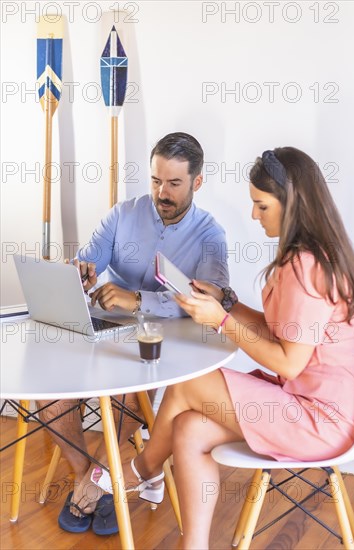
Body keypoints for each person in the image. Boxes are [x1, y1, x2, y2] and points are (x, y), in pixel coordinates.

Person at [91, 146, 354, 549]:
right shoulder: (310, 258)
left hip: (320, 420)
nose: (254, 215)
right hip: (308, 404)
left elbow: (289, 363)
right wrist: (227, 302)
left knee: (187, 384)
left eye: (261, 205)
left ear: (292, 204)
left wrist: (220, 321)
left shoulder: (307, 266)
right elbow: (283, 333)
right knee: (188, 429)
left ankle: (142, 469)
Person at [36, 132, 229, 535]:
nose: (162, 192)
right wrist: (80, 272)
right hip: (107, 330)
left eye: (174, 183)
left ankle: (100, 482)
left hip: (164, 343)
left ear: (197, 182)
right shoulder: (123, 213)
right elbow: (89, 259)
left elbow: (211, 305)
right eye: (156, 180)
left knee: (123, 393)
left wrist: (139, 299)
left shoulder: (211, 236)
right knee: (48, 393)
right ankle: (91, 479)